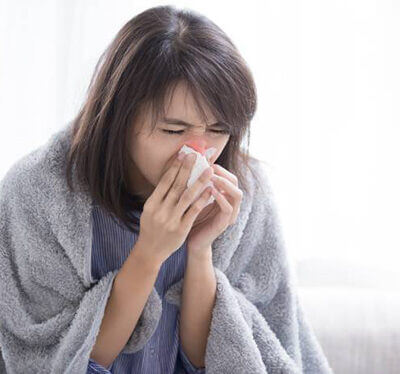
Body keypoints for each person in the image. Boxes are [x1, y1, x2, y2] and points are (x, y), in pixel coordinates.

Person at [0, 5, 334, 374]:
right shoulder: (39, 193)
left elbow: (215, 361)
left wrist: (201, 249)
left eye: (218, 130)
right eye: (174, 131)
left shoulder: (246, 195)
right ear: (118, 119)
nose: (198, 152)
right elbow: (61, 362)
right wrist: (149, 254)